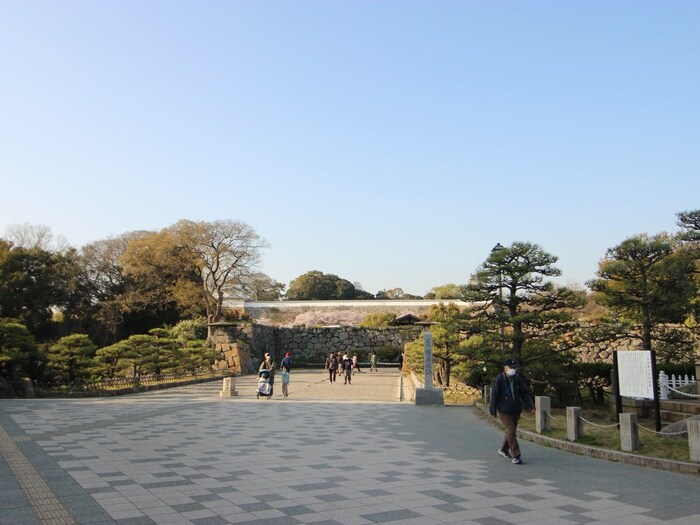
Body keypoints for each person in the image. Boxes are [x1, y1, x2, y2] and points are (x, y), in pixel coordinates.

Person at [489, 359, 535, 465]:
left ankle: (503, 449)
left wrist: (531, 406)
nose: (513, 370)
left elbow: (524, 393)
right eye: (511, 368)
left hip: (515, 409)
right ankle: (516, 455)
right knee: (511, 430)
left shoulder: (517, 378)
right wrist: (493, 411)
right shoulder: (499, 379)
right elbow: (494, 396)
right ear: (505, 368)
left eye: (514, 368)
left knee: (511, 432)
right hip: (504, 410)